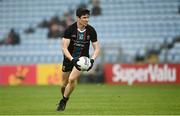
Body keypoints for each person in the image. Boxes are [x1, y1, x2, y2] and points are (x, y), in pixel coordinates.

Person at [56, 8, 100, 111]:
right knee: (63, 84)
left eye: (88, 17)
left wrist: (92, 60)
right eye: (84, 17)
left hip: (82, 59)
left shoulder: (91, 30)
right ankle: (65, 96)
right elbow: (64, 48)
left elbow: (97, 48)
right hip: (69, 58)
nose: (87, 20)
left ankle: (63, 101)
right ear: (78, 18)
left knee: (72, 79)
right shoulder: (69, 30)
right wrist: (72, 59)